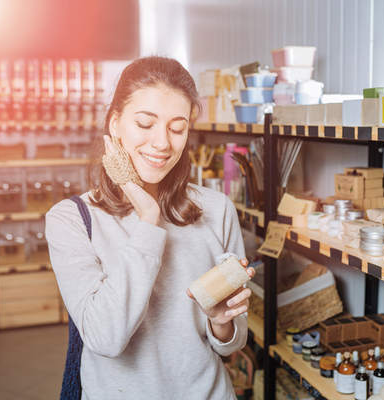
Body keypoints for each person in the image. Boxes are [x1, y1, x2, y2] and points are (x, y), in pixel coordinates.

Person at [46, 55, 255, 400]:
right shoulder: (71, 219)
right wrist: (148, 217)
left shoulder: (216, 209)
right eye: (145, 124)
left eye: (177, 128)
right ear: (115, 123)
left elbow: (232, 344)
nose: (162, 143)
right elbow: (106, 338)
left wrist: (222, 323)